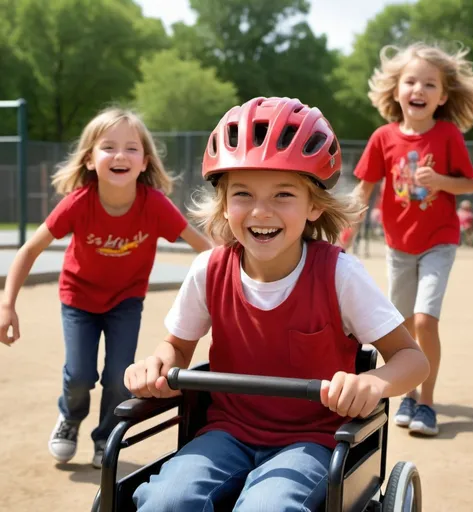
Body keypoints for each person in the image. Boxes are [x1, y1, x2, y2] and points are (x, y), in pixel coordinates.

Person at [124, 96, 429, 511]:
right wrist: (157, 362)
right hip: (225, 433)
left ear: (314, 205)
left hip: (313, 441)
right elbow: (176, 348)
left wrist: (373, 383)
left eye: (283, 194)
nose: (261, 211)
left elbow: (412, 360)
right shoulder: (208, 270)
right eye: (243, 193)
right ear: (224, 202)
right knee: (165, 501)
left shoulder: (340, 275)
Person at [0, 107, 212, 468]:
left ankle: (105, 438)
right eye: (108, 147)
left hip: (125, 302)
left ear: (145, 162)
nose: (120, 155)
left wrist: (243, 279)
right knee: (81, 374)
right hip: (78, 299)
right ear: (89, 159)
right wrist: (7, 305)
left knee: (118, 375)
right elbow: (29, 249)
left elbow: (206, 250)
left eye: (131, 148)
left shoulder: (155, 206)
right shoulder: (79, 203)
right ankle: (70, 416)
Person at [341, 42, 473, 436]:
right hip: (398, 246)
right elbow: (363, 192)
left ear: (442, 96)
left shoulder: (448, 136)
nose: (418, 90)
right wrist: (344, 237)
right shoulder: (383, 137)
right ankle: (407, 394)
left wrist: (440, 182)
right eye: (410, 81)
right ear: (396, 90)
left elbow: (470, 183)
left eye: (429, 84)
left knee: (425, 318)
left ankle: (427, 402)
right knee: (402, 325)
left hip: (439, 240)